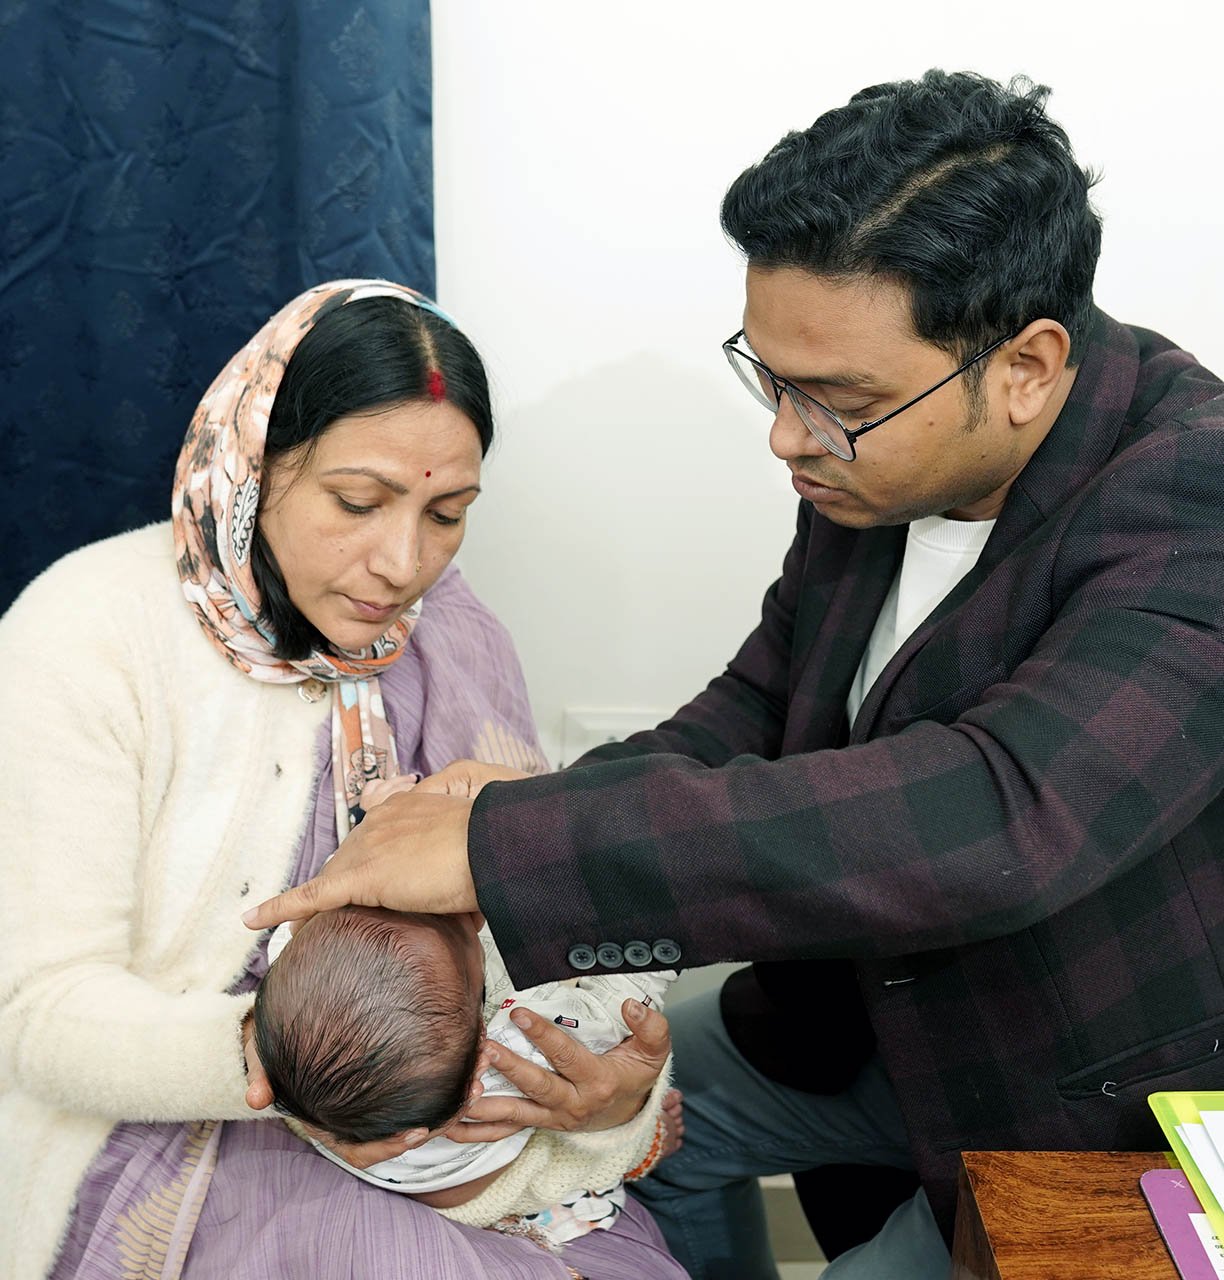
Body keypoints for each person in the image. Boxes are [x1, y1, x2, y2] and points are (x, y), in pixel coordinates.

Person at [244, 69, 1224, 1279]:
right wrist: (513, 817)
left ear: (1025, 364)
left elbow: (1002, 814)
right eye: (769, 376)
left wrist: (511, 850)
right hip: (851, 1017)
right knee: (611, 1120)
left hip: (1084, 1095)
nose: (786, 435)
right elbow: (760, 706)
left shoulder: (1196, 497)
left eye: (837, 400)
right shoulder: (876, 463)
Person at [0, 279, 688, 1280]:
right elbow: (34, 1011)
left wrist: (600, 1093)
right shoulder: (88, 633)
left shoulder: (454, 635)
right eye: (357, 503)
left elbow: (548, 936)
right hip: (181, 1126)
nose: (402, 563)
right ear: (256, 459)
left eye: (447, 513)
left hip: (449, 1113)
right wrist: (320, 1070)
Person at [256, 898, 676, 1245]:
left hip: (354, 1140)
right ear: (481, 1048)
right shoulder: (519, 1039)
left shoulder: (293, 958)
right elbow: (614, 1014)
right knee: (580, 1180)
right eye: (462, 931)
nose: (465, 912)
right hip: (505, 1196)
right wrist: (657, 928)